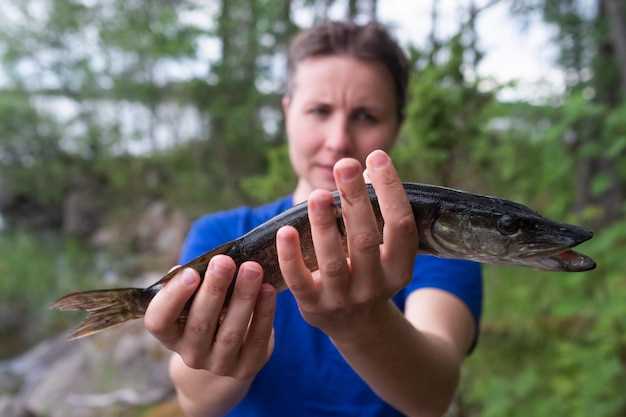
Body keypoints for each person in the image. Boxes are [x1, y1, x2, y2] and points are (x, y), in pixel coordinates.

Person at [144, 21, 482, 417]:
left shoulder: (438, 246)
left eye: (366, 116)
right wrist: (213, 362)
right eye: (320, 110)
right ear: (288, 113)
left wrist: (362, 323)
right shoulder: (220, 233)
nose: (338, 139)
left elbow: (432, 396)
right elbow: (197, 403)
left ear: (396, 126)